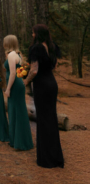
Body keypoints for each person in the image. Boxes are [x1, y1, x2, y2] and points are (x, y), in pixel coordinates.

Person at [24, 24, 64, 168]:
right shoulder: (53, 47)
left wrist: (25, 81)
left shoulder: (36, 48)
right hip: (52, 84)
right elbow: (55, 66)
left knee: (43, 119)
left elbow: (34, 70)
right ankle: (55, 156)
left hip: (41, 85)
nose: (32, 35)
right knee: (51, 118)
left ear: (38, 34)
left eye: (33, 33)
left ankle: (46, 159)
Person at [4, 35, 33, 151]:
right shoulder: (19, 55)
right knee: (18, 111)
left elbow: (12, 74)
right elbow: (20, 71)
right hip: (19, 84)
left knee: (16, 111)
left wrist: (8, 88)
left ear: (8, 43)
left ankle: (20, 142)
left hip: (15, 85)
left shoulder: (11, 55)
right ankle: (19, 140)